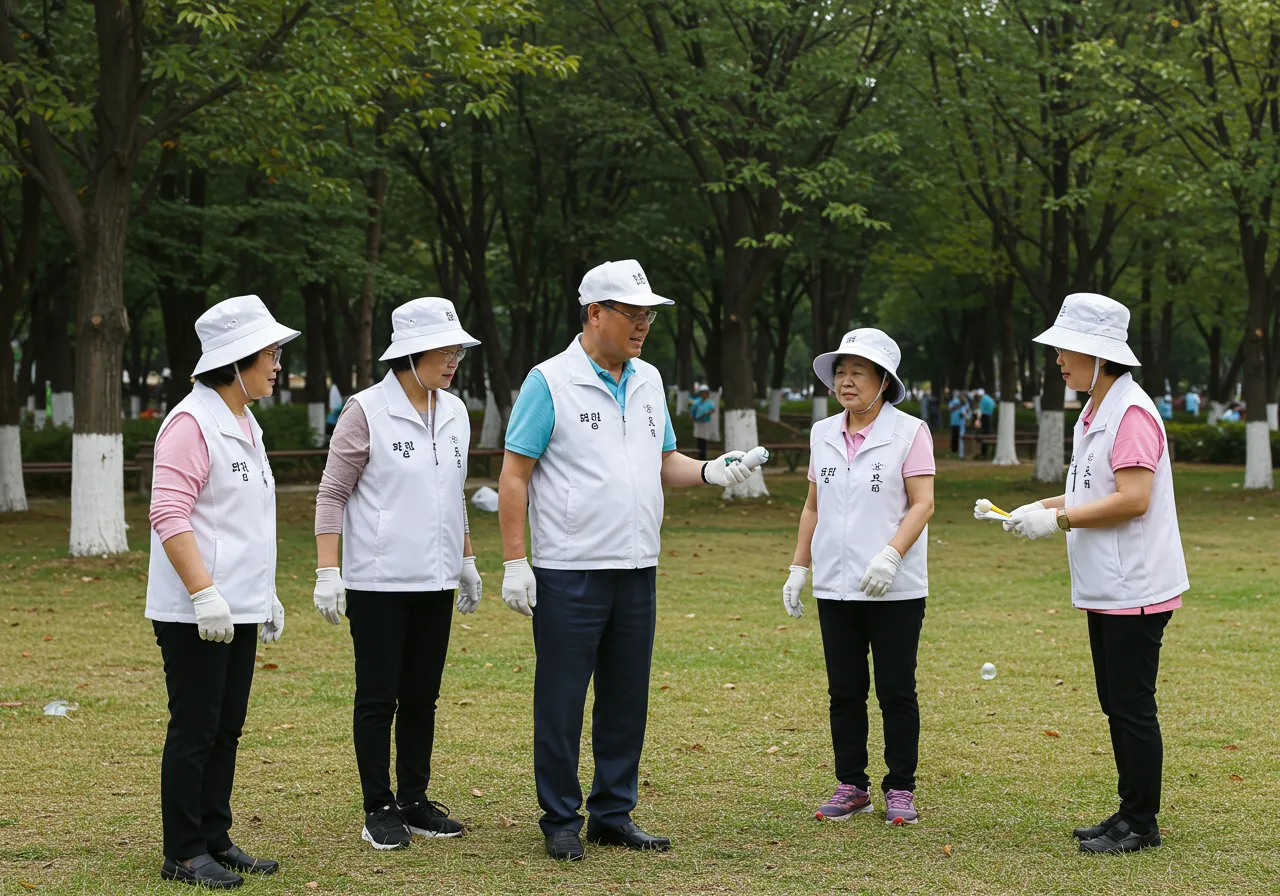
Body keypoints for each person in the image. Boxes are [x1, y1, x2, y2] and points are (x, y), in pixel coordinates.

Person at [497, 259, 768, 861]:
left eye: (649, 314)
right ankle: (560, 817)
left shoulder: (647, 380)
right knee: (563, 699)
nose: (644, 324)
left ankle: (612, 813)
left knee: (626, 697)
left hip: (637, 565)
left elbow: (665, 460)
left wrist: (710, 470)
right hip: (570, 569)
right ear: (594, 313)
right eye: (632, 313)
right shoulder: (550, 382)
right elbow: (515, 477)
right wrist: (517, 562)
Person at [988, 292, 1188, 855]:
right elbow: (1088, 490)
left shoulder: (1132, 413)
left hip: (1136, 586)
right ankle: (1128, 812)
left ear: (1101, 355)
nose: (1057, 359)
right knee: (1116, 702)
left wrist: (1062, 519)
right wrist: (1037, 510)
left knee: (1131, 705)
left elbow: (1133, 499)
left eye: (1066, 349)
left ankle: (1142, 823)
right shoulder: (1097, 409)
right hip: (1107, 585)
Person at [311, 297, 481, 850]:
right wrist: (327, 571)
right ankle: (377, 806)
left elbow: (453, 493)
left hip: (436, 579)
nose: (454, 358)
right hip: (378, 582)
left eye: (458, 349)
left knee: (422, 697)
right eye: (444, 349)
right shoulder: (366, 411)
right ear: (409, 352)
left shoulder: (455, 411)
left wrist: (468, 559)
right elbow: (333, 493)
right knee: (379, 696)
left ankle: (413, 799)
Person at [145, 295, 296, 888]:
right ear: (235, 360)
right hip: (195, 611)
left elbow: (245, 520)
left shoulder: (244, 420)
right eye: (270, 352)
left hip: (239, 607)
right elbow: (169, 512)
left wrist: (265, 593)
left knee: (226, 726)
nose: (278, 363)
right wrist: (204, 593)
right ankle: (183, 850)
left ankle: (214, 834)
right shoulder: (190, 422)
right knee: (196, 728)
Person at [782, 328, 935, 827]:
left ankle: (901, 788)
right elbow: (812, 506)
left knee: (895, 689)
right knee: (844, 690)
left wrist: (890, 555)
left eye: (858, 372)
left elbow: (923, 503)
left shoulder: (911, 432)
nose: (846, 382)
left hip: (894, 587)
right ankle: (851, 784)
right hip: (837, 584)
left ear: (884, 382)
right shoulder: (822, 433)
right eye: (841, 372)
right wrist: (799, 567)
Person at [689, 385, 716, 459]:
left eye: (705, 393)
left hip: (705, 423)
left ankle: (703, 455)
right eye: (702, 393)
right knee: (699, 439)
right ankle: (699, 454)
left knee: (704, 439)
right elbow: (692, 410)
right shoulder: (697, 402)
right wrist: (692, 415)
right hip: (698, 422)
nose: (704, 394)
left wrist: (708, 413)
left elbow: (713, 409)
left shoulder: (709, 403)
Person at [977, 388, 997, 458]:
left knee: (984, 434)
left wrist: (978, 420)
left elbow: (981, 411)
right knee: (988, 433)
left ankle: (984, 452)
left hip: (985, 417)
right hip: (990, 417)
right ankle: (985, 452)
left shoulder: (982, 400)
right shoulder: (989, 398)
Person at [948, 390, 967, 458]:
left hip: (960, 422)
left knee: (960, 436)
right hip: (953, 421)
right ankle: (954, 450)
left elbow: (964, 410)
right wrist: (959, 405)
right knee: (954, 436)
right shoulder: (952, 402)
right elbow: (951, 409)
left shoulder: (961, 402)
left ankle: (960, 451)